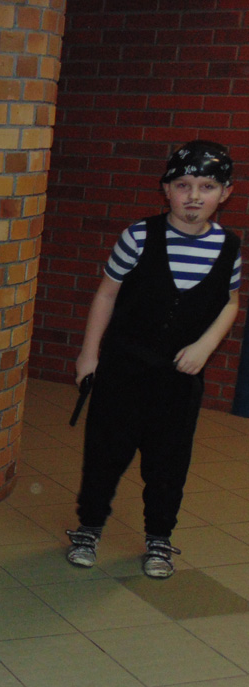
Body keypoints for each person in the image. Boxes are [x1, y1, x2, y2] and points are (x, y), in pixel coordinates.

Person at [66, 140, 242, 578]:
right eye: (183, 185)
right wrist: (89, 354)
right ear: (166, 190)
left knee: (169, 461)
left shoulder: (228, 246)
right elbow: (106, 294)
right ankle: (89, 527)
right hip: (123, 367)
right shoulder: (139, 236)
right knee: (105, 451)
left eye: (207, 186)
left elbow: (230, 302)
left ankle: (159, 536)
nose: (194, 196)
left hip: (179, 377)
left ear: (225, 193)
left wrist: (205, 346)